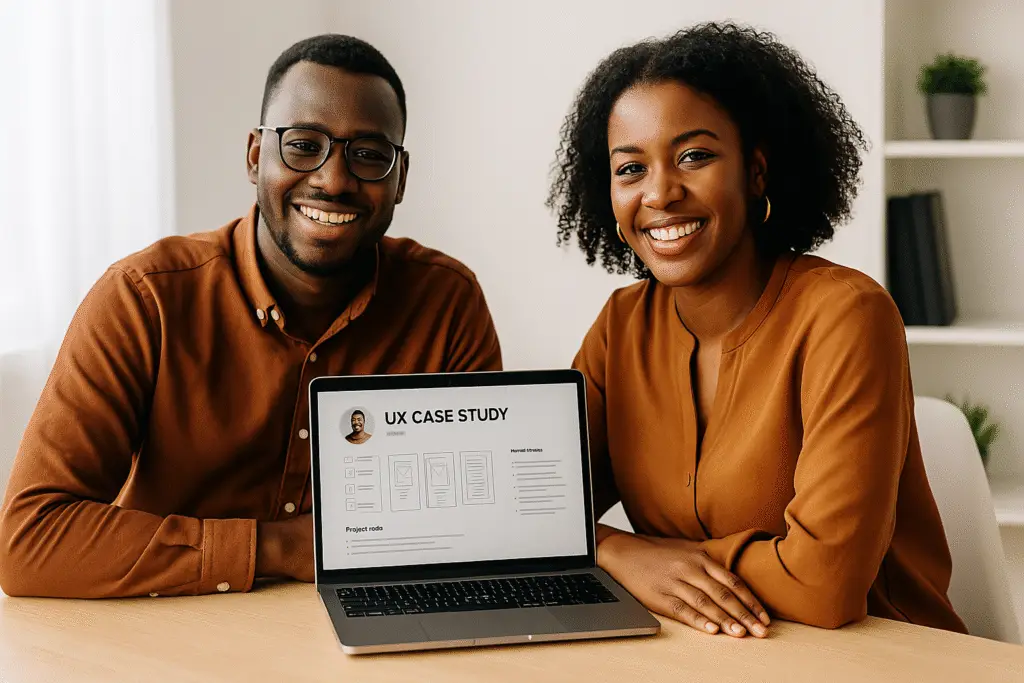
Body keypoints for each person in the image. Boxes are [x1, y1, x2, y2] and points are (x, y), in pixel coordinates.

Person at [0, 34, 501, 598]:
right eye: (303, 145)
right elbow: (29, 542)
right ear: (255, 155)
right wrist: (282, 547)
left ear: (400, 179)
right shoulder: (145, 300)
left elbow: (469, 523)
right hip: (164, 638)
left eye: (368, 154)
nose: (333, 181)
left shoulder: (447, 303)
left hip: (363, 631)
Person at [547, 22, 967, 638]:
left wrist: (658, 560)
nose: (660, 192)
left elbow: (825, 587)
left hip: (877, 657)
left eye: (694, 156)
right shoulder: (621, 326)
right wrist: (618, 552)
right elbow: (529, 515)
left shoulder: (847, 316)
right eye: (630, 168)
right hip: (705, 657)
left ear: (757, 171)